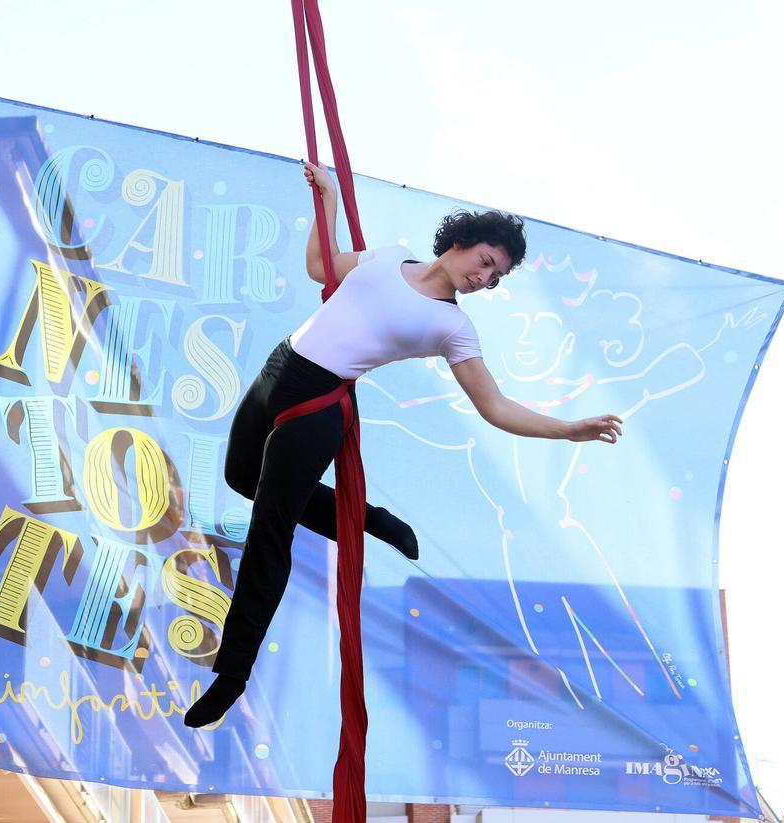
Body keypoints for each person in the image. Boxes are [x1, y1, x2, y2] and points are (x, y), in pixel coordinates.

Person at [183, 162, 623, 728]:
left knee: (272, 529)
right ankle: (370, 518)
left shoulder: (453, 328)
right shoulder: (388, 255)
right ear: (461, 243)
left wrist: (568, 429)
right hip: (278, 368)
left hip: (318, 406)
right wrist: (332, 200)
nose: (484, 279)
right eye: (485, 263)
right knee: (240, 477)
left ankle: (232, 674)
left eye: (495, 278)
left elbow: (495, 407)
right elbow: (321, 266)